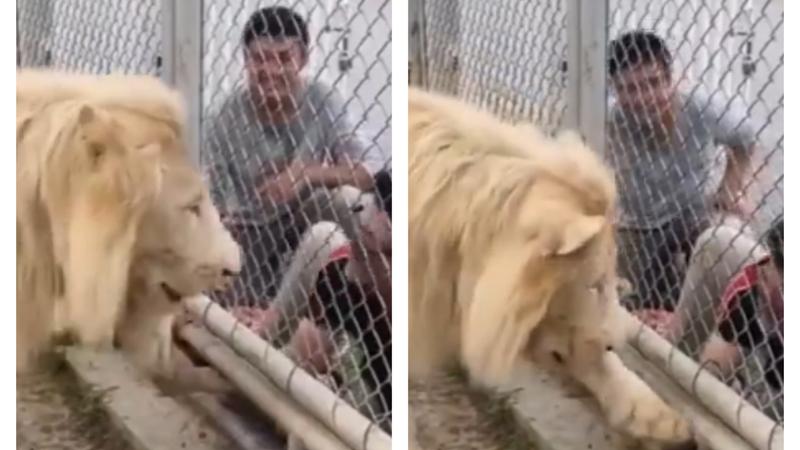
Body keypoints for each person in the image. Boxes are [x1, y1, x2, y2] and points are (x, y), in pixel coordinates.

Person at [203, 6, 385, 303]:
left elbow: (367, 173)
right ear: (245, 61)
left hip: (305, 219)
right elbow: (222, 211)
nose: (271, 71)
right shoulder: (224, 119)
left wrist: (305, 173)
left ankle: (374, 297)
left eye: (284, 58)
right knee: (235, 311)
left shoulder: (323, 100)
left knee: (350, 202)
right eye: (260, 59)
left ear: (303, 59)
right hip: (251, 230)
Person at [606, 30, 759, 311]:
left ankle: (722, 319)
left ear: (669, 78)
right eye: (629, 88)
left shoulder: (700, 106)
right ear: (614, 89)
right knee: (629, 299)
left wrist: (731, 188)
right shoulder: (607, 119)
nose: (644, 97)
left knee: (732, 236)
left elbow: (745, 137)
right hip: (637, 222)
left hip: (693, 211)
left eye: (653, 82)